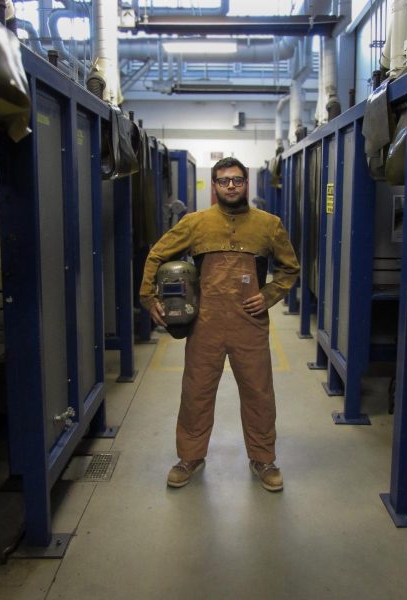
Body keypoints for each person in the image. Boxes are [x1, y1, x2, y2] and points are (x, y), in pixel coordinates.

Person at [139, 157, 300, 492]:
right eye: (224, 180)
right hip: (205, 323)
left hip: (249, 323)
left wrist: (269, 294)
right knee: (196, 392)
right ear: (213, 185)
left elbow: (290, 268)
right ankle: (190, 457)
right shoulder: (195, 223)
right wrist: (148, 298)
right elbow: (156, 254)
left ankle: (263, 458)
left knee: (259, 393)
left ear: (246, 184)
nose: (231, 186)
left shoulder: (269, 225)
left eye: (237, 180)